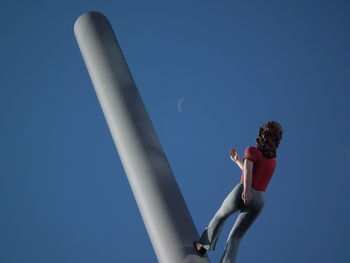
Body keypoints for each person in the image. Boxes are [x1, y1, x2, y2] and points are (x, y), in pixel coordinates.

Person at [193, 120, 283, 263]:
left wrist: (246, 190)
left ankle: (203, 245)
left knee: (221, 215)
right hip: (260, 200)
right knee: (236, 236)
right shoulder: (273, 162)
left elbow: (248, 172)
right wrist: (237, 160)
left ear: (262, 134)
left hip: (243, 189)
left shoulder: (251, 150)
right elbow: (253, 174)